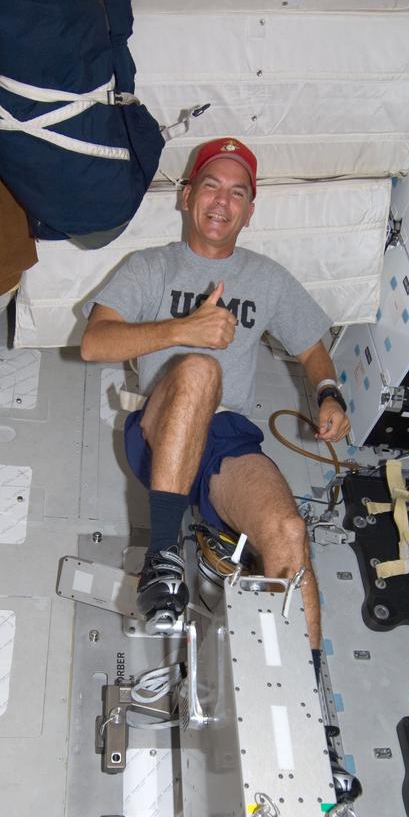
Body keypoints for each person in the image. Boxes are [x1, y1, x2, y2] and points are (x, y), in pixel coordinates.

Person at [80, 137, 349, 661]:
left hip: (228, 440)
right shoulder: (151, 266)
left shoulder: (267, 278)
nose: (222, 201)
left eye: (237, 192)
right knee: (200, 368)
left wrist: (328, 394)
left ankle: (306, 694)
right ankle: (163, 557)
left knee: (289, 531)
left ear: (250, 211)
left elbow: (314, 349)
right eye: (210, 186)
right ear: (186, 197)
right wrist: (185, 330)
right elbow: (95, 342)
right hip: (160, 423)